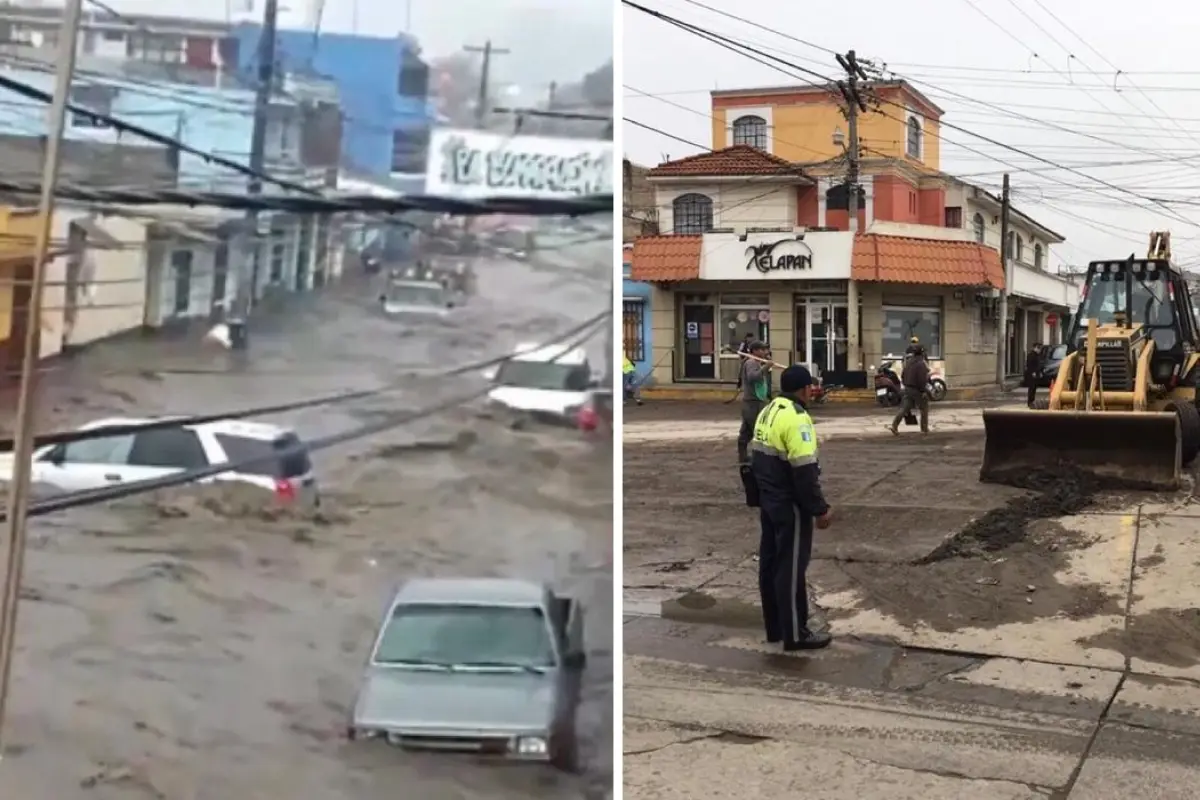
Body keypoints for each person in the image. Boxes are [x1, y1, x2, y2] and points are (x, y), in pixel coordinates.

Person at [748, 364, 833, 650]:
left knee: (770, 564)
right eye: (811, 387)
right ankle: (796, 634)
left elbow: (754, 455)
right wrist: (819, 509)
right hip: (790, 504)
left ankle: (776, 628)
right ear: (805, 389)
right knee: (791, 568)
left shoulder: (769, 410)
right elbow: (805, 469)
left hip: (769, 499)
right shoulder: (797, 419)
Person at [737, 341, 772, 464]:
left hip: (755, 401)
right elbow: (753, 377)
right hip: (753, 402)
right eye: (762, 350)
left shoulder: (756, 362)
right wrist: (766, 367)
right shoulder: (751, 363)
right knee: (757, 429)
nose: (765, 352)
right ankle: (760, 457)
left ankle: (743, 456)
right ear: (755, 351)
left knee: (746, 431)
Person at [890, 349, 931, 434]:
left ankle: (894, 425)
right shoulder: (921, 364)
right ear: (922, 354)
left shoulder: (908, 362)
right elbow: (921, 379)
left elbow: (902, 375)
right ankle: (924, 428)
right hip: (917, 390)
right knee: (924, 408)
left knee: (904, 408)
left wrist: (906, 385)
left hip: (908, 388)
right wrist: (923, 390)